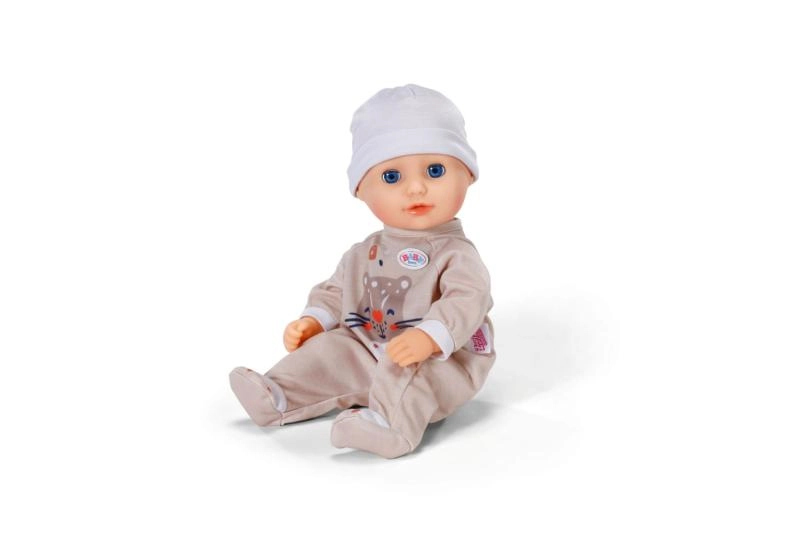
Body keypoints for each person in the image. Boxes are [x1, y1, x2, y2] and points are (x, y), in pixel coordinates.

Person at [230, 84, 496, 458]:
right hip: (365, 348)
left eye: (434, 171)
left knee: (408, 371)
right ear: (361, 190)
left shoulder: (456, 255)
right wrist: (314, 321)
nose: (416, 188)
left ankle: (390, 426)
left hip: (440, 362)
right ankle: (278, 395)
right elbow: (337, 290)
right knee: (327, 351)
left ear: (467, 175)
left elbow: (467, 300)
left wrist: (430, 337)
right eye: (392, 177)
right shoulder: (364, 251)